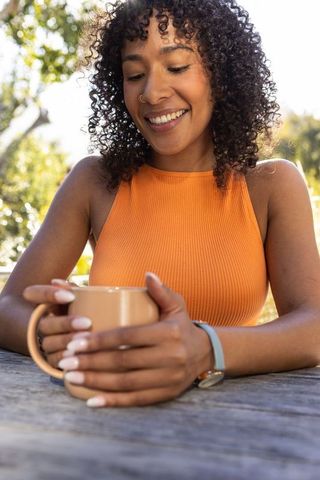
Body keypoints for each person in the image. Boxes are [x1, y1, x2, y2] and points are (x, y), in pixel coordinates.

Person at [0, 0, 319, 408]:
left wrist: (205, 349)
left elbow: (313, 328)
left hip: (238, 425)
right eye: (135, 74)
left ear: (220, 75)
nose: (151, 92)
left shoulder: (271, 185)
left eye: (177, 67)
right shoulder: (95, 182)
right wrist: (50, 332)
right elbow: (9, 305)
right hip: (107, 422)